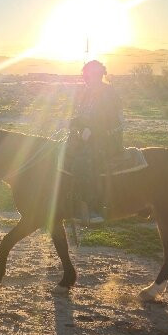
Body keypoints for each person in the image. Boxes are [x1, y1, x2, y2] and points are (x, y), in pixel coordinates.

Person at [69, 60, 123, 224]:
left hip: (107, 137)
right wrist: (74, 124)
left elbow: (112, 119)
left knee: (85, 160)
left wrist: (92, 131)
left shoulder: (108, 93)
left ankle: (93, 209)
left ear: (99, 75)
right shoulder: (86, 93)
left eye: (89, 75)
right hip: (87, 136)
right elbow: (82, 114)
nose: (86, 78)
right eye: (85, 75)